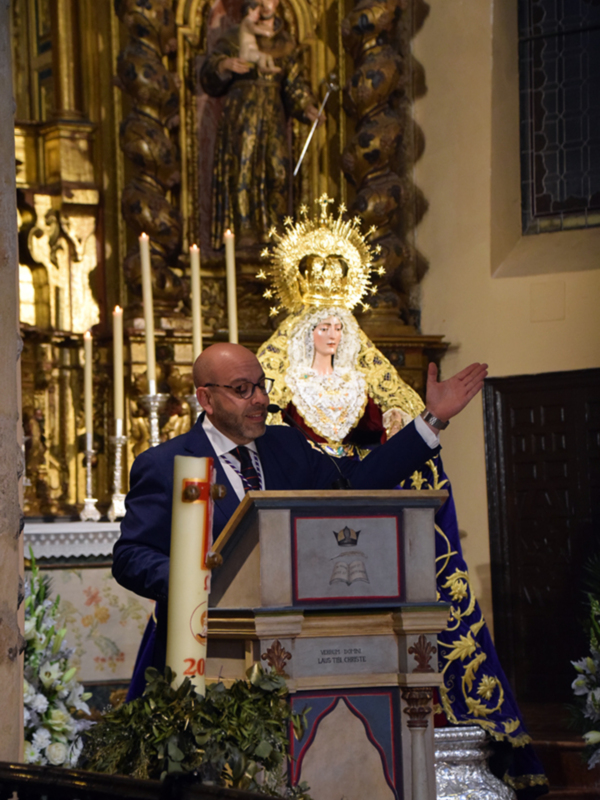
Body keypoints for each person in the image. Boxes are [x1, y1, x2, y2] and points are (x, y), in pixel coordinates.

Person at [257, 308, 549, 798]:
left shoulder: (358, 388)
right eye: (321, 327)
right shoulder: (273, 433)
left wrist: (430, 421)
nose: (330, 335)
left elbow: (353, 482)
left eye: (338, 327)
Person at [113, 342, 487, 686]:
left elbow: (352, 485)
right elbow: (131, 557)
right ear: (206, 399)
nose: (259, 399)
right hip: (210, 653)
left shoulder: (287, 444)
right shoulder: (166, 464)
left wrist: (431, 421)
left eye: (262, 385)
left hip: (300, 646)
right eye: (242, 389)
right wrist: (201, 583)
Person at [199, 0, 322, 249]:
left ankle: (275, 234)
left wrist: (306, 104)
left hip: (272, 110)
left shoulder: (284, 41)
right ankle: (242, 232)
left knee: (277, 169)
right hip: (242, 109)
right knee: (242, 167)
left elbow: (293, 81)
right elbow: (208, 74)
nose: (266, 4)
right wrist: (224, 65)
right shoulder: (235, 36)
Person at [238, 0, 281, 75]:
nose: (264, 4)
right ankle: (263, 68)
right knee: (262, 57)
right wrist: (223, 64)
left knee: (266, 57)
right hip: (247, 53)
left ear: (276, 2)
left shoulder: (285, 39)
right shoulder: (245, 24)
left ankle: (269, 68)